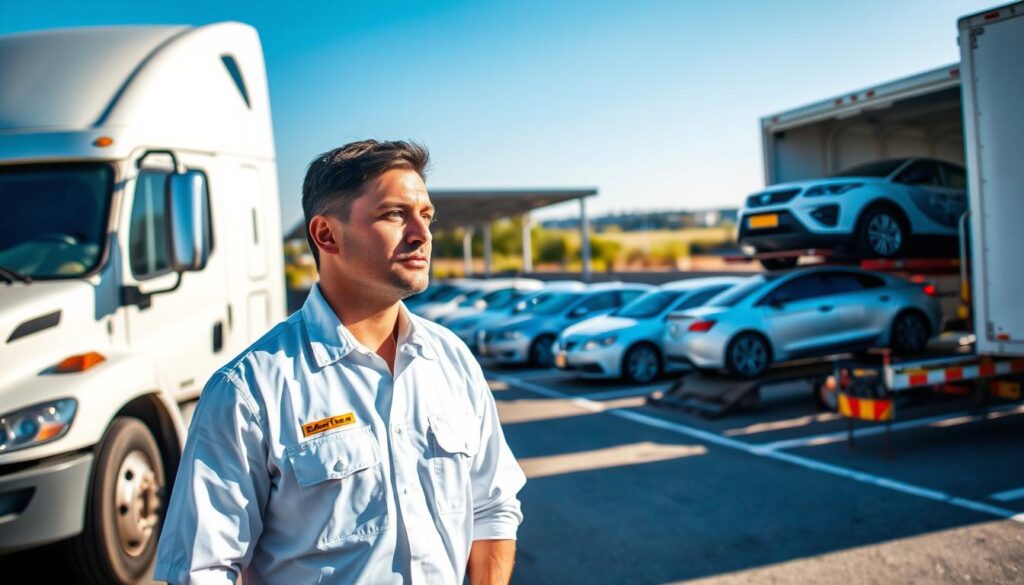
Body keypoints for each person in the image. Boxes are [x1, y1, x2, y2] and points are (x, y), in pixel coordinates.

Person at [154, 140, 527, 584]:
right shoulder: (249, 391)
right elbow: (201, 569)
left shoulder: (453, 361)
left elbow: (492, 508)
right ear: (326, 235)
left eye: (426, 215)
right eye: (394, 214)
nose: (422, 233)